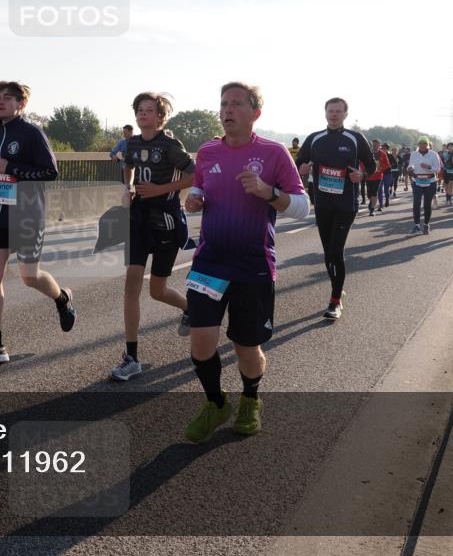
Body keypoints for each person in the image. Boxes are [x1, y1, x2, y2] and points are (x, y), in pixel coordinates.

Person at [183, 82, 308, 443]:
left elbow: (302, 207)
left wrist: (270, 193)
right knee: (200, 342)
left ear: (255, 113)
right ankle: (216, 402)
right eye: (223, 103)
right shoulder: (206, 151)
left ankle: (251, 398)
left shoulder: (274, 153)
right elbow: (200, 187)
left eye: (236, 103)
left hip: (253, 263)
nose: (227, 110)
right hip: (210, 261)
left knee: (246, 347)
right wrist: (194, 199)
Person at [0, 81, 75, 365]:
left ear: (21, 104)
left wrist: (11, 167)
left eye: (8, 98)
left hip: (27, 216)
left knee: (29, 277)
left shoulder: (32, 133)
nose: (1, 102)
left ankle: (62, 298)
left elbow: (50, 172)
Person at [111, 93, 195, 381]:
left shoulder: (170, 146)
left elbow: (196, 176)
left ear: (161, 116)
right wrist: (129, 187)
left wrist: (160, 190)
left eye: (149, 110)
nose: (143, 114)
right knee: (131, 284)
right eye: (140, 110)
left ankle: (190, 309)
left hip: (166, 220)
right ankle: (131, 357)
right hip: (138, 219)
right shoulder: (131, 143)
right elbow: (128, 167)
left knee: (157, 290)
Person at [296, 97, 376, 320]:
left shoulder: (355, 138)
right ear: (325, 113)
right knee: (327, 252)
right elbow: (298, 163)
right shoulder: (314, 139)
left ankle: (335, 301)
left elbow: (371, 165)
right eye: (330, 111)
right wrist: (301, 169)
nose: (334, 114)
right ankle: (337, 288)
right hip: (322, 203)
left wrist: (362, 175)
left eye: (338, 111)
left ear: (345, 115)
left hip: (345, 204)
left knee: (335, 251)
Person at [407, 137, 441, 234]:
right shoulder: (414, 154)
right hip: (417, 181)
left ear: (428, 145)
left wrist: (429, 167)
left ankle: (426, 224)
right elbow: (410, 165)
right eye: (420, 143)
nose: (422, 145)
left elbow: (438, 169)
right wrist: (410, 168)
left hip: (430, 181)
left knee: (427, 204)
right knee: (416, 203)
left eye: (424, 144)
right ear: (418, 145)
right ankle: (416, 225)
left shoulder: (433, 154)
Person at [365, 139, 390, 216]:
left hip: (378, 176)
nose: (375, 146)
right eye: (374, 144)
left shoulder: (382, 153)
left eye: (377, 144)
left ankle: (372, 210)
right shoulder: (368, 153)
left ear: (379, 145)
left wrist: (380, 169)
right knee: (369, 194)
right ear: (372, 145)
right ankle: (371, 202)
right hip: (368, 176)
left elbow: (387, 164)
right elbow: (362, 162)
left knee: (374, 192)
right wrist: (364, 171)